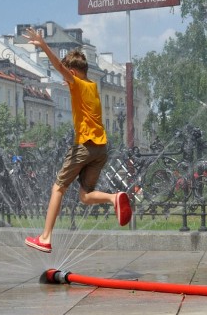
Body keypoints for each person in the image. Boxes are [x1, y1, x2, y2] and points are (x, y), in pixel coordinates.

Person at [22, 27, 130, 253]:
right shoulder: (91, 86)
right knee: (85, 196)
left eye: (68, 73)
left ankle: (45, 237)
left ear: (72, 71)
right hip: (101, 149)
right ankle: (114, 197)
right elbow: (78, 86)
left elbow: (59, 67)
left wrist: (43, 45)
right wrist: (71, 83)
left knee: (58, 188)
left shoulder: (76, 83)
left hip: (84, 146)